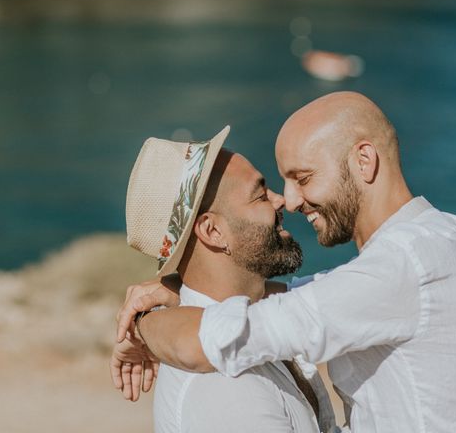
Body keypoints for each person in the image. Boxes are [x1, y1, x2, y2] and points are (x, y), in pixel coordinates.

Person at [113, 92, 456, 432]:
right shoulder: (449, 235)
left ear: (364, 160)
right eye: (266, 189)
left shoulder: (404, 266)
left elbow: (213, 340)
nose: (291, 200)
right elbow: (308, 297)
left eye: (302, 177)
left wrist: (141, 326)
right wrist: (174, 291)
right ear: (212, 232)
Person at [112, 126, 338, 432]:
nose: (280, 200)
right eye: (260, 195)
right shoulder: (227, 390)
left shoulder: (245, 326)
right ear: (213, 232)